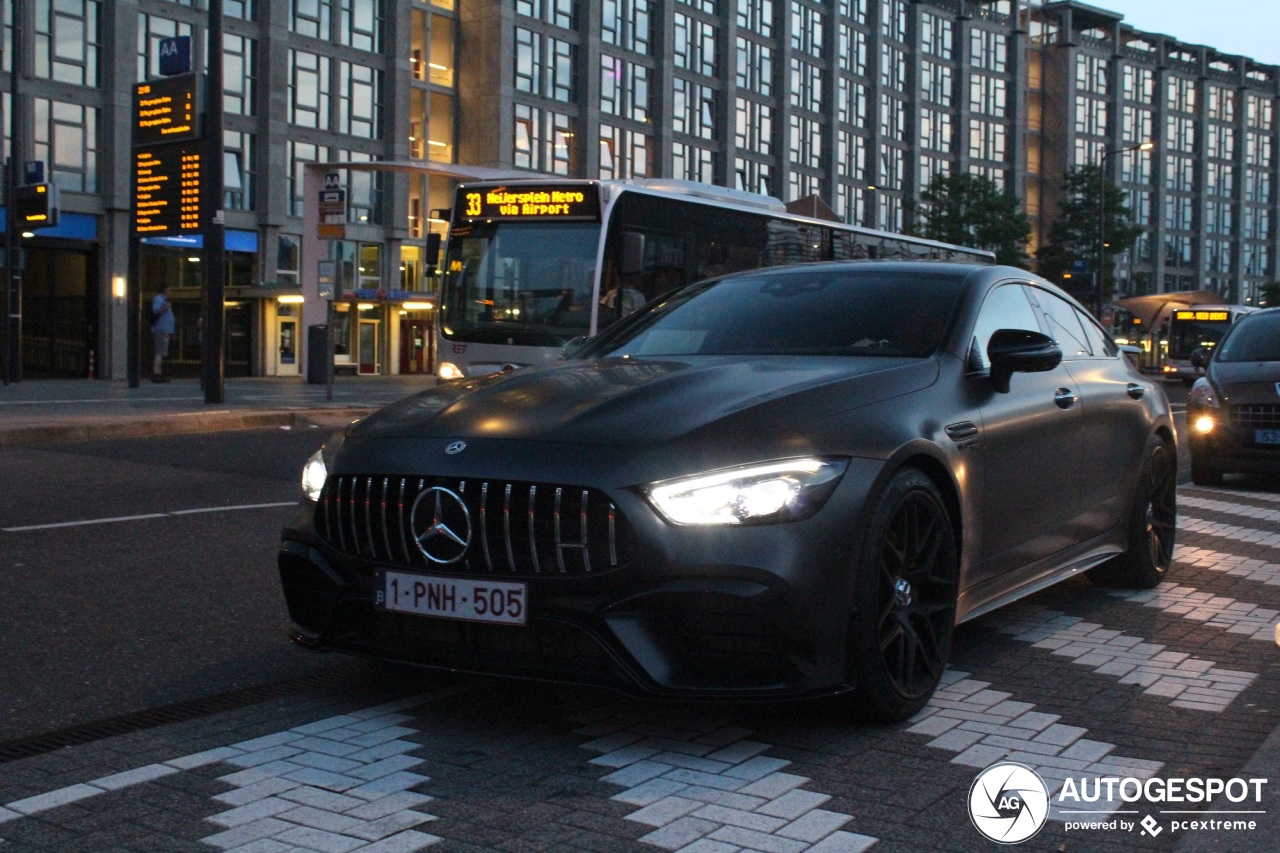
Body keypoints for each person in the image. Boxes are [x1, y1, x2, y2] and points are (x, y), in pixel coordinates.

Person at [151, 284, 175, 382]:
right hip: (161, 329)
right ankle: (156, 373)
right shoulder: (159, 299)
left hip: (164, 330)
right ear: (164, 290)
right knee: (159, 352)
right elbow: (156, 310)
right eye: (169, 290)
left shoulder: (163, 300)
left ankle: (159, 373)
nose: (170, 292)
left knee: (161, 352)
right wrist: (166, 307)